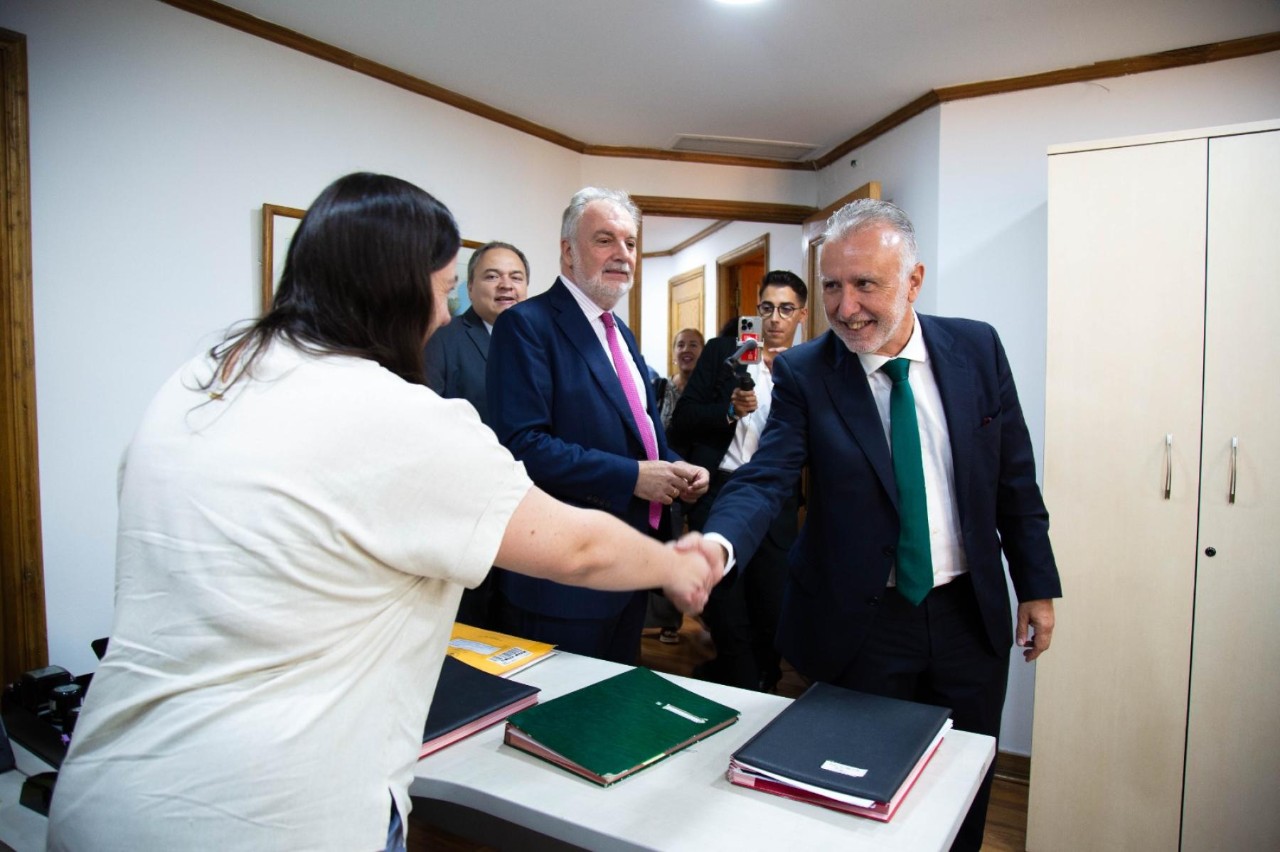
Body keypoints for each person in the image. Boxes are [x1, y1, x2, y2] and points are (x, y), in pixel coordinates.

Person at [45, 173, 718, 852]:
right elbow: (576, 547)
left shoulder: (196, 380)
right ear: (396, 291)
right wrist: (673, 563)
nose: (447, 316)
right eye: (442, 288)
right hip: (267, 817)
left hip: (104, 793)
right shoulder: (395, 418)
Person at [697, 199, 1061, 851]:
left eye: (866, 284)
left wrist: (1036, 584)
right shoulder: (809, 372)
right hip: (861, 624)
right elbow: (768, 474)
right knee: (857, 802)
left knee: (963, 790)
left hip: (967, 619)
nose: (844, 307)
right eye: (833, 286)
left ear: (914, 280)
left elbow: (1013, 479)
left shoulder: (977, 349)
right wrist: (717, 543)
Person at [487, 187, 711, 665]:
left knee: (612, 711)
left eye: (630, 243)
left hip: (624, 570)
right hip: (561, 583)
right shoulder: (526, 325)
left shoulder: (620, 332)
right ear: (568, 250)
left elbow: (642, 435)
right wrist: (634, 476)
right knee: (559, 725)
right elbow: (523, 446)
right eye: (605, 240)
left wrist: (676, 467)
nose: (623, 255)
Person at [669, 270, 807, 691]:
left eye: (786, 309)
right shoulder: (725, 353)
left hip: (777, 501)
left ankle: (760, 684)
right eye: (767, 308)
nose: (775, 318)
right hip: (721, 492)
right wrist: (729, 411)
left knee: (771, 608)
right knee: (727, 609)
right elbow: (681, 422)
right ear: (757, 310)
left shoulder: (808, 368)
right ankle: (740, 686)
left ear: (801, 314)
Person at [424, 240, 529, 628]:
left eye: (516, 277)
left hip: (529, 503)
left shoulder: (537, 342)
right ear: (469, 288)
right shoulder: (444, 341)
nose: (506, 285)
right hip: (468, 509)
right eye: (492, 275)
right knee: (476, 624)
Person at [646, 326, 706, 643]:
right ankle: (665, 620)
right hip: (665, 477)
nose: (686, 350)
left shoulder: (711, 392)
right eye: (681, 344)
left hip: (699, 479)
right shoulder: (659, 388)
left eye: (693, 344)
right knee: (664, 544)